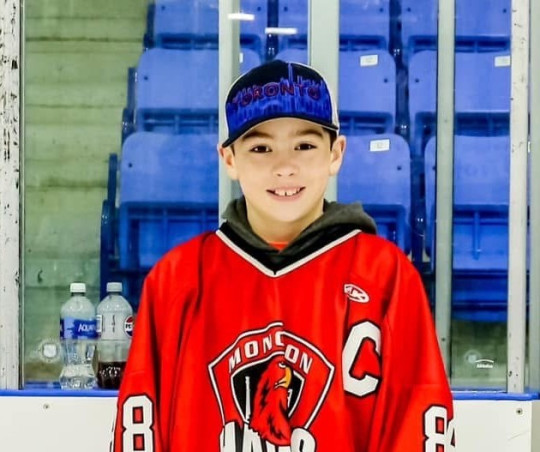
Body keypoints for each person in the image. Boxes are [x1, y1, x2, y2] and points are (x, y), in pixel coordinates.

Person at [112, 60, 454, 452]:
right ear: (229, 159)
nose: (285, 167)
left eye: (305, 145)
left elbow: (420, 415)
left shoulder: (385, 275)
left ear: (336, 153)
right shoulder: (178, 279)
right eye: (261, 147)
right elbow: (141, 422)